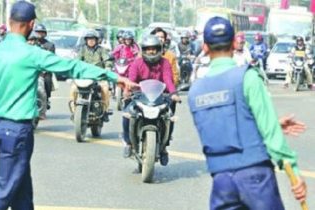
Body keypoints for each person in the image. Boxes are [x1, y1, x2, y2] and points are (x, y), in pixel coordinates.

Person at [0, 2, 136, 209]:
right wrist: (113, 77)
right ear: (31, 24)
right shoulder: (32, 54)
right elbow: (73, 67)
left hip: (0, 128)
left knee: (22, 192)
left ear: (9, 22)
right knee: (4, 189)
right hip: (18, 131)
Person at [188, 17, 307, 209]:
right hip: (256, 178)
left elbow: (225, 128)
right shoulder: (247, 78)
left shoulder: (195, 91)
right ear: (235, 43)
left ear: (205, 47)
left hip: (221, 181)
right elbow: (270, 133)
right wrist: (293, 173)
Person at [122, 35, 180, 166]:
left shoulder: (165, 62)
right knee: (127, 114)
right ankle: (129, 142)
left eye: (154, 49)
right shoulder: (137, 63)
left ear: (159, 49)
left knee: (169, 116)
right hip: (140, 96)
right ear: (144, 50)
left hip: (159, 97)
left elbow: (168, 79)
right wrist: (128, 88)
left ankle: (164, 146)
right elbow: (131, 78)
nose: (151, 52)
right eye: (148, 49)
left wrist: (173, 93)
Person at [70, 29, 113, 121]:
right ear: (86, 40)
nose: (91, 41)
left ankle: (104, 111)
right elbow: (77, 62)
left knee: (105, 88)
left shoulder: (102, 50)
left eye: (93, 39)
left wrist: (107, 69)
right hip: (84, 77)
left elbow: (107, 61)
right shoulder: (82, 50)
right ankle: (74, 112)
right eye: (89, 39)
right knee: (73, 88)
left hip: (99, 76)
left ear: (97, 40)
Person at [34, 23, 55, 111]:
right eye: (37, 32)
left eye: (41, 32)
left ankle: (46, 99)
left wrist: (44, 71)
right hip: (32, 69)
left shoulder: (49, 45)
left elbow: (50, 59)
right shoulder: (30, 43)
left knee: (47, 80)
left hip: (45, 70)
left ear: (45, 33)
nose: (39, 34)